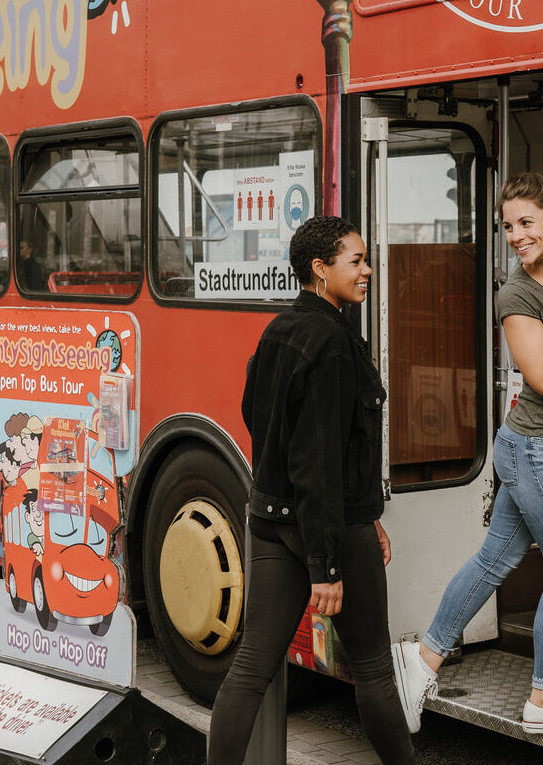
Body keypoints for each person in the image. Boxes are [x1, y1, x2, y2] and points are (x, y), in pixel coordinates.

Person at [393, 173, 543, 735]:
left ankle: (421, 661)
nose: (514, 235)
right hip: (536, 449)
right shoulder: (516, 294)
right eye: (507, 226)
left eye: (525, 223)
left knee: (494, 559)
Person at [207, 216, 413, 765]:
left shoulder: (279, 330)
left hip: (274, 521)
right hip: (328, 528)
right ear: (320, 270)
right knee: (371, 670)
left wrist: (368, 516)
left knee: (251, 665)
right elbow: (319, 462)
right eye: (356, 261)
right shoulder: (332, 343)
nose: (367, 270)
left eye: (366, 260)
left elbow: (261, 419)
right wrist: (326, 565)